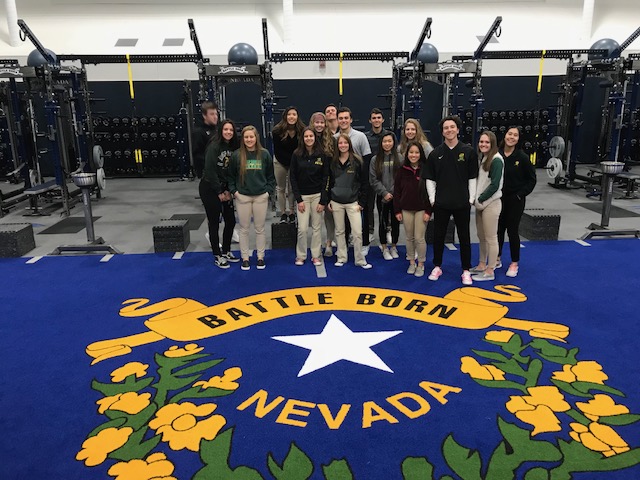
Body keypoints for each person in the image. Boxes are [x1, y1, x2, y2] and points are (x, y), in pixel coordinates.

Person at [422, 115, 478, 285]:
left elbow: (472, 177)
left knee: (464, 237)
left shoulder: (468, 152)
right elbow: (430, 179)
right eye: (446, 128)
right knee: (438, 237)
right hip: (441, 203)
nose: (449, 130)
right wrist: (433, 199)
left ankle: (466, 270)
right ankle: (437, 266)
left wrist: (470, 199)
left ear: (458, 129)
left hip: (462, 203)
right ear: (442, 132)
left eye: (452, 127)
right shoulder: (435, 154)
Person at [228, 126, 275, 271]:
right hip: (242, 197)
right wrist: (235, 192)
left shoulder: (265, 154)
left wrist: (268, 192)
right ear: (243, 139)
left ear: (256, 138)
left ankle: (260, 257)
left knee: (260, 229)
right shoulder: (236, 156)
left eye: (251, 137)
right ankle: (245, 258)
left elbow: (271, 177)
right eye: (246, 137)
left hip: (261, 196)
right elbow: (230, 177)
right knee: (244, 229)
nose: (249, 140)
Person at [497, 126, 537, 278]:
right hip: (499, 199)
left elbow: (532, 180)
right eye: (509, 134)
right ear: (505, 135)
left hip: (515, 200)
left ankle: (514, 263)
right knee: (498, 230)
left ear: (518, 139)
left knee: (512, 231)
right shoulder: (498, 154)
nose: (511, 137)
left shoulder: (522, 158)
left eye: (515, 135)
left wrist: (520, 195)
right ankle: (497, 258)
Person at [200, 119, 240, 268]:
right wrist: (218, 191)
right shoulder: (214, 146)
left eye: (231, 130)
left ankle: (226, 251)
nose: (228, 132)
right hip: (210, 188)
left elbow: (233, 171)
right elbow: (210, 171)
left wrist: (228, 190)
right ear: (221, 131)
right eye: (226, 129)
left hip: (225, 188)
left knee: (230, 221)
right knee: (214, 222)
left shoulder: (234, 147)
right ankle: (217, 255)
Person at [329, 133, 372, 269]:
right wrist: (329, 199)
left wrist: (362, 202)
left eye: (345, 143)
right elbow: (329, 182)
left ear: (349, 145)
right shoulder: (333, 162)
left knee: (357, 232)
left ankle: (360, 259)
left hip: (353, 202)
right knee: (340, 231)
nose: (342, 145)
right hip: (336, 201)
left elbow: (365, 183)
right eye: (340, 143)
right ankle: (341, 257)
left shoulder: (358, 161)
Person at [334, 106, 373, 256]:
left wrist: (365, 185)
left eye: (346, 118)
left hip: (359, 183)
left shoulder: (360, 136)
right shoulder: (335, 138)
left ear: (351, 120)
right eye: (341, 118)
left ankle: (364, 244)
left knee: (362, 214)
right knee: (343, 220)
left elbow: (367, 160)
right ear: (337, 120)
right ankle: (343, 248)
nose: (343, 121)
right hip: (343, 185)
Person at [290, 127, 330, 266]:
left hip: (317, 196)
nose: (308, 139)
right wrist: (298, 199)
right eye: (306, 136)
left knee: (317, 228)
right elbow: (293, 178)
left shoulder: (322, 154)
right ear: (303, 138)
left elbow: (326, 178)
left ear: (315, 138)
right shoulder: (296, 154)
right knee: (302, 228)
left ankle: (315, 255)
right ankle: (300, 255)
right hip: (303, 198)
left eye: (311, 136)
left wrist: (323, 200)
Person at [394, 141, 432, 276]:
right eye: (411, 152)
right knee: (409, 238)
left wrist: (429, 211)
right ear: (407, 154)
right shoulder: (401, 170)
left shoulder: (426, 169)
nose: (414, 155)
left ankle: (421, 264)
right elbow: (397, 191)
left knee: (419, 238)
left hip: (422, 209)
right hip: (406, 209)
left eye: (416, 152)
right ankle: (411, 262)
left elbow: (430, 192)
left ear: (420, 154)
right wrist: (397, 210)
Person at [470, 131, 504, 281]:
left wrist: (481, 198)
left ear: (493, 144)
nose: (483, 144)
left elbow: (495, 185)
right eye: (481, 142)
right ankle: (482, 265)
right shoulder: (484, 158)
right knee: (481, 236)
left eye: (487, 142)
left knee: (491, 238)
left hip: (491, 204)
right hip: (481, 204)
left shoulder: (496, 160)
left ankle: (490, 270)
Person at [370, 131, 402, 260]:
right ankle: (384, 247)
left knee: (396, 222)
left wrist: (394, 192)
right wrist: (384, 193)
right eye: (384, 141)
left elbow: (401, 177)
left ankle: (394, 246)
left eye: (389, 141)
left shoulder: (400, 158)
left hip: (397, 197)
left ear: (393, 142)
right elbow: (373, 179)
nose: (387, 144)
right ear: (381, 143)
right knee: (383, 222)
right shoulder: (375, 159)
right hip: (382, 197)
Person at [309, 112, 337, 257]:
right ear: (312, 123)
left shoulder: (331, 140)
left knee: (329, 214)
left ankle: (328, 243)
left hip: (328, 181)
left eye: (321, 122)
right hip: (312, 184)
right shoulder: (307, 139)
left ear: (325, 124)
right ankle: (316, 245)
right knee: (315, 217)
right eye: (316, 122)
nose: (319, 125)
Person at [272, 106, 305, 223]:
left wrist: (294, 164)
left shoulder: (302, 130)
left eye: (294, 114)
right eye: (289, 114)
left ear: (297, 117)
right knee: (280, 188)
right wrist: (289, 162)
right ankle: (282, 213)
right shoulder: (277, 131)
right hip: (280, 161)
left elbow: (301, 149)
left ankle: (291, 212)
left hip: (294, 162)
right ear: (285, 116)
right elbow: (278, 151)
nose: (291, 117)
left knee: (292, 188)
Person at [364, 108, 385, 236]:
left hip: (385, 177)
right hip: (370, 177)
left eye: (378, 118)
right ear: (370, 120)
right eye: (374, 118)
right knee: (369, 206)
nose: (376, 120)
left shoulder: (389, 135)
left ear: (382, 120)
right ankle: (370, 230)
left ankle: (386, 229)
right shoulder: (365, 137)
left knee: (384, 206)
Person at [192, 101, 219, 178]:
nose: (215, 117)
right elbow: (197, 156)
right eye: (212, 114)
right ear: (204, 115)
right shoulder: (199, 132)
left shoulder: (219, 130)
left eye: (216, 114)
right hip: (207, 174)